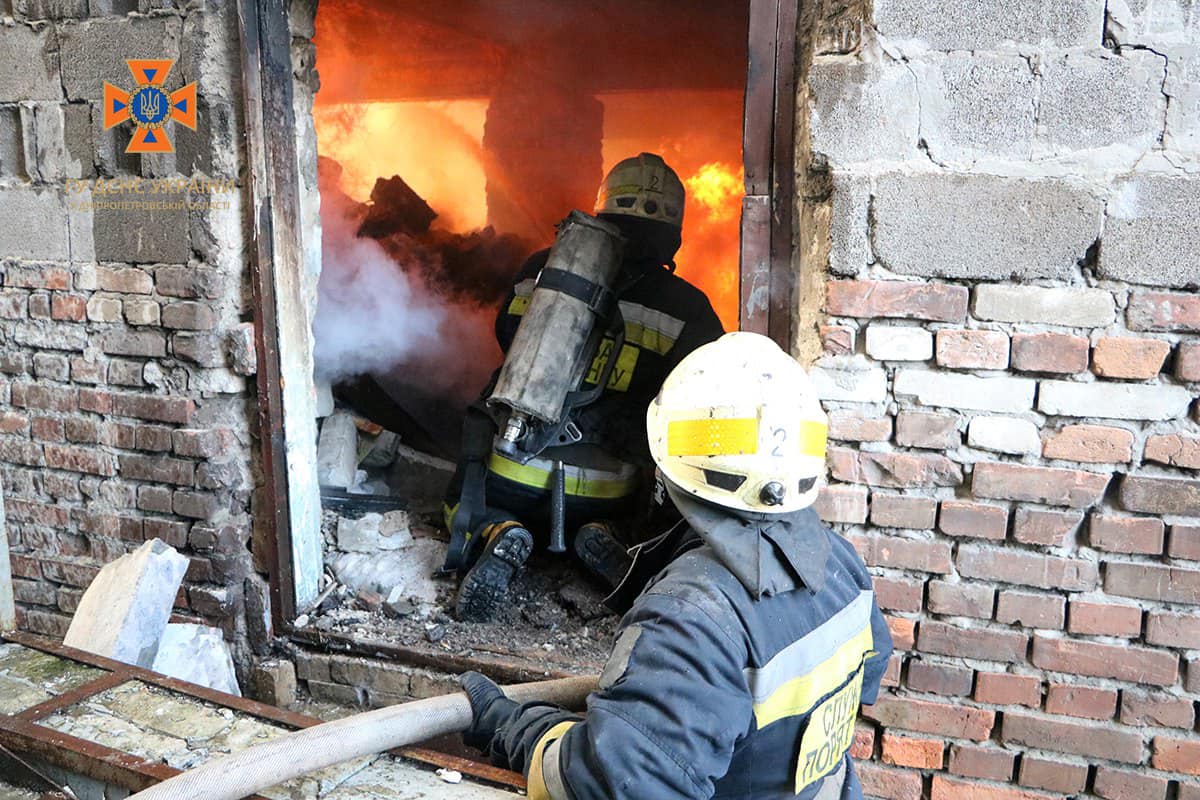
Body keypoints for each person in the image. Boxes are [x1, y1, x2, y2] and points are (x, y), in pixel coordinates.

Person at [458, 332, 894, 799]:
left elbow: (609, 787)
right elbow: (867, 673)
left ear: (669, 459)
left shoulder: (691, 617)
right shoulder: (840, 562)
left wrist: (508, 724)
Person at [444, 153, 725, 621]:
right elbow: (700, 392)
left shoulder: (541, 270)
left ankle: (498, 531)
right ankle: (606, 533)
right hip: (607, 484)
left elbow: (505, 337)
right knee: (642, 503)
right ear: (674, 232)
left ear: (602, 207)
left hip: (511, 469)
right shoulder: (689, 307)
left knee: (458, 499)